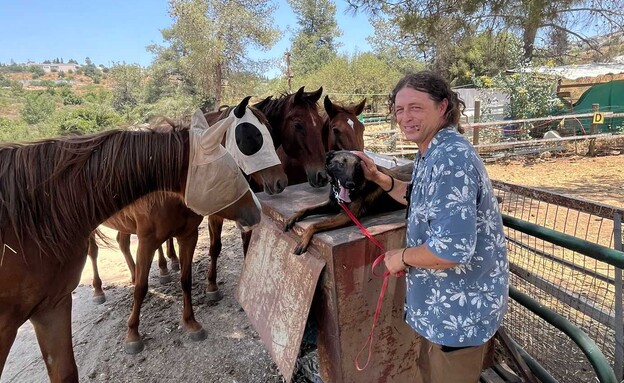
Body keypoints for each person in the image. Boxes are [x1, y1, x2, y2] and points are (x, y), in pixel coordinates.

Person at [354, 71, 509, 383]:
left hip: (459, 312)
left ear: (443, 107)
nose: (405, 117)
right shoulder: (432, 151)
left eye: (416, 107)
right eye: (399, 109)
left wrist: (402, 258)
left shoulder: (451, 158)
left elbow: (451, 250)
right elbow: (418, 197)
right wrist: (378, 178)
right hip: (440, 307)